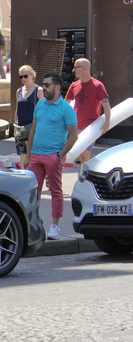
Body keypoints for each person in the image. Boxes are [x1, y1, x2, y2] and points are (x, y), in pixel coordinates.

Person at [24, 72, 78, 241]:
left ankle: (54, 227)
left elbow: (73, 136)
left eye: (47, 85)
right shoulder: (40, 105)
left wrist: (60, 156)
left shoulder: (66, 109)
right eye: (43, 85)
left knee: (55, 191)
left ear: (57, 87)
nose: (43, 88)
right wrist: (28, 155)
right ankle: (33, 225)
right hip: (36, 156)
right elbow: (32, 130)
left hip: (53, 156)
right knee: (32, 193)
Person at [64, 58, 111, 165]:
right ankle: (83, 177)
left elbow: (106, 105)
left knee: (85, 155)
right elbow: (65, 104)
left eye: (76, 67)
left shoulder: (98, 85)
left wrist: (107, 122)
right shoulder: (74, 85)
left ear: (84, 69)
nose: (73, 70)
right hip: (75, 126)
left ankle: (83, 179)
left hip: (91, 127)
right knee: (80, 156)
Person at [14, 65, 44, 169]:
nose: (23, 79)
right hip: (20, 128)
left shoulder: (39, 90)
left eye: (25, 76)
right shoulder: (19, 91)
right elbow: (17, 109)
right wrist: (15, 124)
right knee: (22, 157)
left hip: (33, 128)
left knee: (32, 157)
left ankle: (36, 177)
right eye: (21, 77)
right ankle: (24, 179)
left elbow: (43, 110)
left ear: (32, 75)